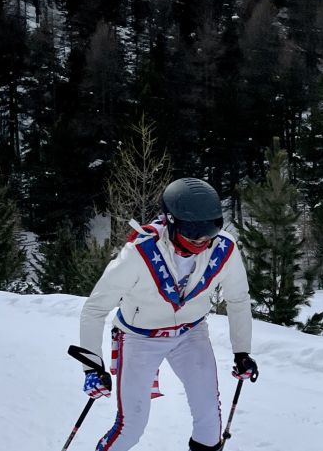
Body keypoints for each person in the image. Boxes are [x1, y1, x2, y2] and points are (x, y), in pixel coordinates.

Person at [78, 177, 258, 451]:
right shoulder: (139, 254)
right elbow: (95, 308)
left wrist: (242, 352)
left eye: (209, 230)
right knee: (131, 427)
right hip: (139, 338)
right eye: (192, 232)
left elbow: (238, 299)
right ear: (172, 223)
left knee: (210, 421)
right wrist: (92, 367)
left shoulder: (224, 248)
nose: (201, 240)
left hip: (190, 333)